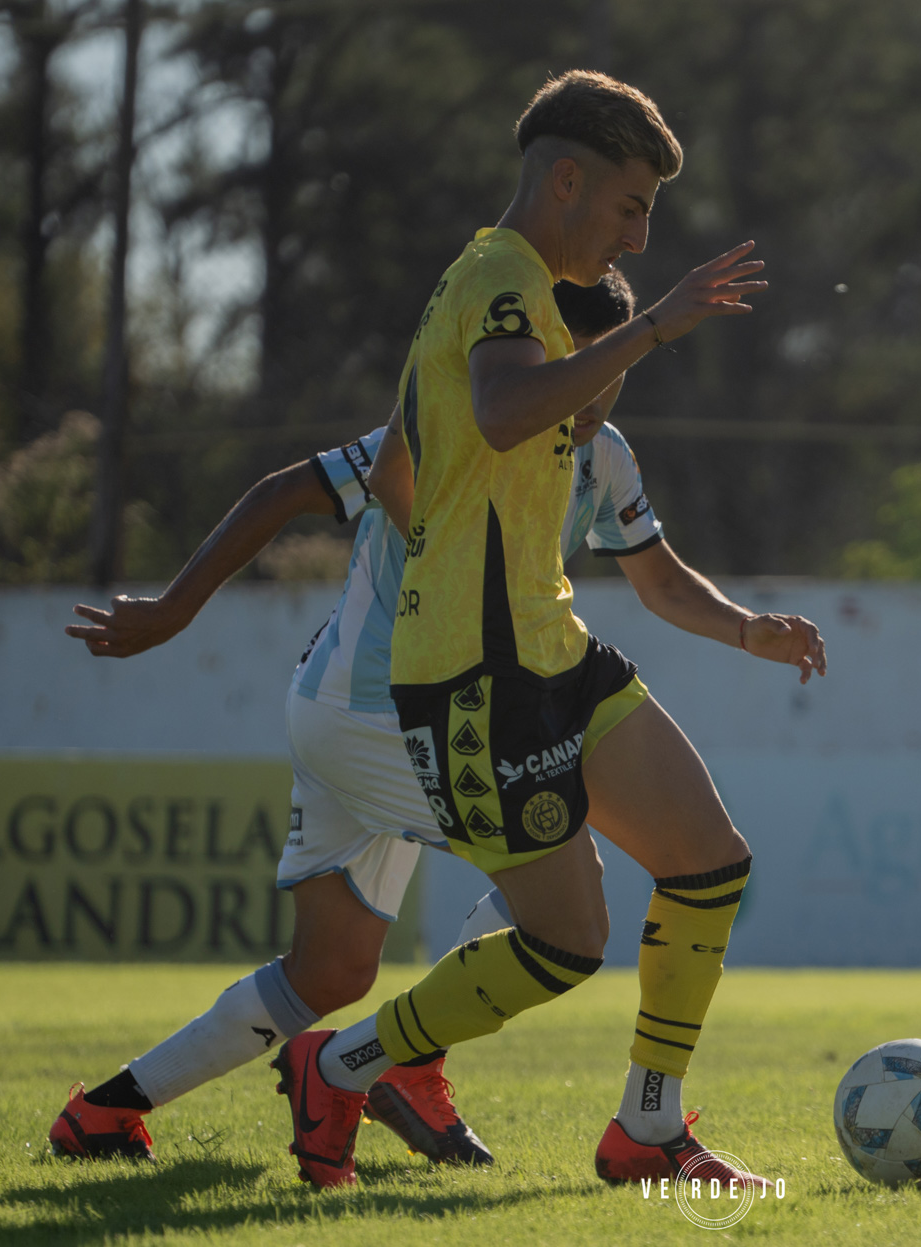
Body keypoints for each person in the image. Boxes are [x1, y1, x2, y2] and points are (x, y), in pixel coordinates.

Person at [48, 270, 825, 1178]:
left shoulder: (602, 454)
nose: (594, 396)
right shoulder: (459, 429)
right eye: (580, 367)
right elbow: (284, 489)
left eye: (613, 374)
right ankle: (390, 1061)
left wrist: (744, 626)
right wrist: (177, 607)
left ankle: (103, 1111)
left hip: (435, 710)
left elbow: (656, 577)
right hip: (373, 711)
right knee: (565, 907)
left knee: (329, 971)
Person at [274, 69, 807, 1192]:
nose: (640, 234)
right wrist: (654, 330)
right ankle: (344, 1062)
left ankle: (647, 1130)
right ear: (565, 179)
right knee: (565, 945)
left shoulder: (486, 287)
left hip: (549, 648)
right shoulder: (500, 276)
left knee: (709, 863)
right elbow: (512, 410)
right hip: (475, 675)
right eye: (629, 206)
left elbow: (412, 462)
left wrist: (749, 629)